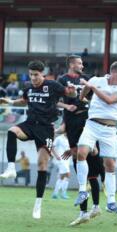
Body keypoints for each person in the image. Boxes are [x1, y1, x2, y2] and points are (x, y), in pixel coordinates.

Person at [0, 60, 77, 219]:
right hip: (29, 124)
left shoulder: (53, 85)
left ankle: (38, 203)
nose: (33, 78)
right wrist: (10, 101)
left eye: (36, 75)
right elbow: (24, 100)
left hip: (45, 128)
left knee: (42, 165)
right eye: (31, 75)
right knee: (12, 131)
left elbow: (70, 94)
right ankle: (11, 168)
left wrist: (73, 92)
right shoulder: (28, 86)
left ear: (43, 74)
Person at [72, 61, 117, 222]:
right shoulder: (97, 80)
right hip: (92, 125)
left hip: (110, 130)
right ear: (114, 72)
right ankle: (83, 190)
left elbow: (109, 100)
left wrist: (91, 87)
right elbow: (86, 88)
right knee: (81, 153)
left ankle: (111, 202)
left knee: (110, 165)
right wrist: (82, 96)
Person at [58, 55, 105, 225]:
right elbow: (55, 100)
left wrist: (87, 100)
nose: (82, 65)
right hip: (72, 123)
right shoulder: (62, 80)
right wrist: (66, 106)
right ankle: (85, 211)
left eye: (82, 63)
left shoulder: (85, 80)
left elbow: (94, 97)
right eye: (79, 63)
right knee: (82, 169)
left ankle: (96, 205)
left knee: (93, 159)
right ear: (71, 64)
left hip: (87, 120)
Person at [51, 134, 71, 199]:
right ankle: (63, 193)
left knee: (61, 177)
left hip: (67, 160)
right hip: (61, 160)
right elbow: (51, 147)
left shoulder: (70, 138)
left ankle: (55, 193)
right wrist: (56, 156)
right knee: (67, 174)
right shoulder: (59, 138)